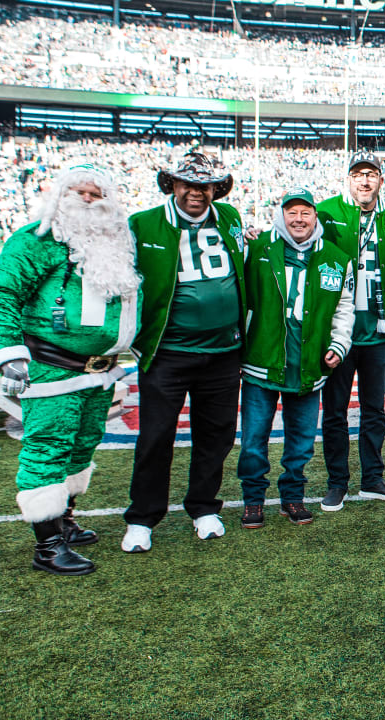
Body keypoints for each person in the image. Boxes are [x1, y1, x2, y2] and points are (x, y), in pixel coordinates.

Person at [0, 164, 141, 575]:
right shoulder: (37, 239)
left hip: (100, 371)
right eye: (80, 192)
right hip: (52, 366)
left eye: (97, 194)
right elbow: (1, 294)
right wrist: (9, 352)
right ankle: (47, 546)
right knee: (48, 447)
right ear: (60, 195)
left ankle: (64, 521)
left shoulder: (116, 240)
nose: (88, 200)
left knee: (82, 444)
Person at [122, 152, 245, 553]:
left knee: (216, 434)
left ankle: (204, 507)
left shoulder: (229, 217)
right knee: (156, 436)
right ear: (172, 185)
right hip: (168, 352)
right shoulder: (143, 224)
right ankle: (142, 517)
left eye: (204, 184)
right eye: (188, 183)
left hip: (224, 351)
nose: (196, 191)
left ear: (215, 188)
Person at [237, 189, 354, 529]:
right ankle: (253, 499)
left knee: (301, 442)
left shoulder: (335, 257)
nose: (299, 219)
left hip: (308, 363)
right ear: (281, 215)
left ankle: (292, 496)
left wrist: (338, 344)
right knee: (254, 440)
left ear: (316, 216)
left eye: (305, 212)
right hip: (262, 359)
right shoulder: (256, 249)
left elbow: (343, 309)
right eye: (292, 212)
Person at [316, 150, 385, 512]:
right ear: (348, 179)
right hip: (338, 335)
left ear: (381, 179)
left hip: (380, 333)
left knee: (375, 411)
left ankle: (372, 477)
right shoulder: (326, 212)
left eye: (371, 174)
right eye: (358, 173)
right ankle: (336, 482)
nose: (364, 180)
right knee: (334, 412)